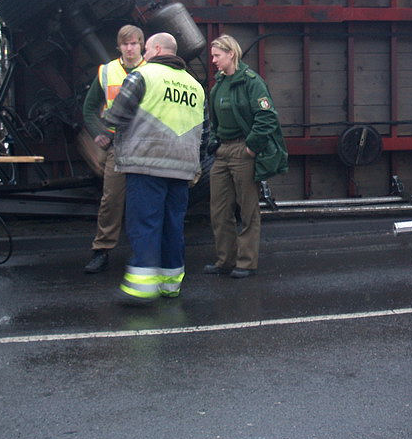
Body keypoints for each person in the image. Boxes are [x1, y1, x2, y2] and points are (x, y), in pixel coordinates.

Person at [104, 32, 205, 304]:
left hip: (147, 163)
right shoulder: (195, 86)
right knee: (173, 225)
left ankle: (142, 287)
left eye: (146, 49)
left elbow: (116, 115)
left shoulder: (143, 75)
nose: (143, 54)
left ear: (157, 49)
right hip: (182, 168)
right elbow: (202, 129)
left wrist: (105, 129)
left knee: (145, 223)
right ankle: (171, 285)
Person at [204, 34, 287, 278]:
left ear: (231, 54)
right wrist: (213, 144)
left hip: (243, 150)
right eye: (212, 56)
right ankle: (224, 261)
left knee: (247, 209)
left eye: (217, 55)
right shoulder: (218, 85)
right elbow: (213, 120)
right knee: (219, 209)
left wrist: (250, 147)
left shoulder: (252, 82)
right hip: (222, 153)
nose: (213, 60)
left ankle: (246, 262)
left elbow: (267, 117)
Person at [82, 24, 146, 273]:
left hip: (144, 146)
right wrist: (99, 133)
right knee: (111, 200)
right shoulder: (107, 71)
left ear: (142, 45)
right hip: (117, 146)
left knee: (143, 200)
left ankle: (142, 251)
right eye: (125, 44)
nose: (130, 48)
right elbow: (89, 109)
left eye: (134, 43)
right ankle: (102, 250)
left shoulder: (153, 71)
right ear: (119, 47)